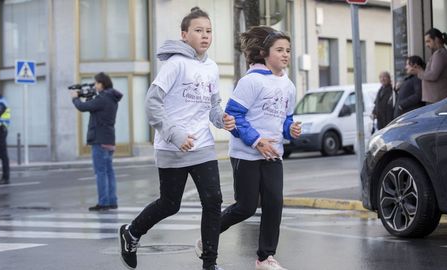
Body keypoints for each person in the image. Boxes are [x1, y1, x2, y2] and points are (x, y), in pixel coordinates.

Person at [118, 7, 235, 270]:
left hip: (203, 145)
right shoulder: (175, 64)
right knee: (170, 204)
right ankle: (132, 232)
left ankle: (210, 263)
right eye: (198, 30)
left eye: (208, 31)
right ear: (184, 35)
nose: (205, 36)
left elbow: (213, 107)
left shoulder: (212, 67)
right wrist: (174, 133)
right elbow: (151, 104)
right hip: (173, 146)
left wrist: (223, 119)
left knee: (213, 200)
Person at [198, 26, 301, 270]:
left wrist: (291, 129)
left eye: (288, 50)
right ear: (264, 53)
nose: (285, 54)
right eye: (279, 50)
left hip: (273, 154)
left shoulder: (289, 85)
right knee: (245, 207)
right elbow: (233, 118)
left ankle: (265, 258)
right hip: (246, 154)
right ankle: (208, 238)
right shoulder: (251, 82)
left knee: (274, 203)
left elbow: (285, 119)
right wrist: (257, 140)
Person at [71, 72, 123, 211]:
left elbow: (83, 107)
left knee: (101, 172)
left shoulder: (103, 98)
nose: (95, 85)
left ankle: (103, 203)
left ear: (102, 84)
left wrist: (75, 98)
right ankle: (112, 201)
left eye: (96, 83)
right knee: (109, 172)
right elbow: (93, 105)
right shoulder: (111, 98)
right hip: (109, 139)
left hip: (99, 140)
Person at [413, 28, 447, 104]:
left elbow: (433, 75)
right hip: (435, 99)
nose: (426, 45)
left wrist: (419, 72)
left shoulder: (439, 54)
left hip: (436, 100)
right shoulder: (439, 53)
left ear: (436, 39)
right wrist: (421, 71)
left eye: (428, 41)